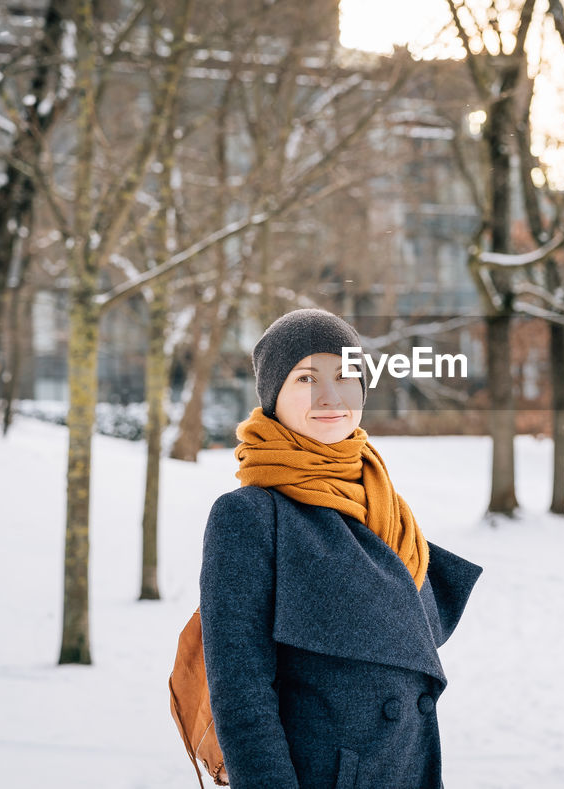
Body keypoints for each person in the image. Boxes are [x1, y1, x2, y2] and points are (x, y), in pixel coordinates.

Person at [199, 308, 483, 789]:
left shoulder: (384, 505)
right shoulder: (248, 516)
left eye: (346, 374)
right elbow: (243, 696)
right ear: (273, 398)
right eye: (305, 378)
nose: (329, 396)